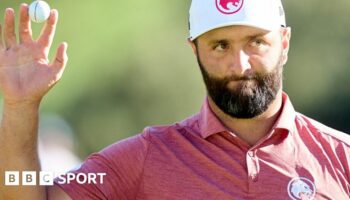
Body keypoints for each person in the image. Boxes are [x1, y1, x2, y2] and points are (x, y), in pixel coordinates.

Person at [0, 0, 349, 199]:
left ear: (284, 44)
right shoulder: (147, 157)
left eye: (256, 42)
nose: (239, 64)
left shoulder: (341, 157)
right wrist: (20, 108)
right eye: (220, 45)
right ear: (194, 50)